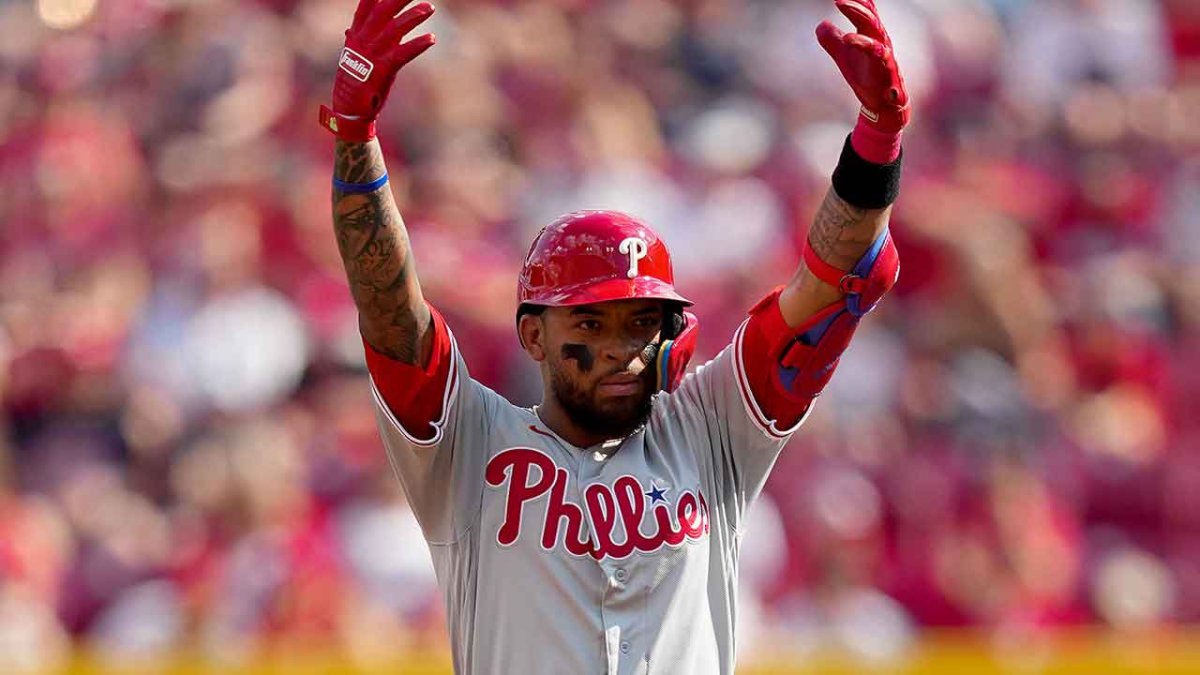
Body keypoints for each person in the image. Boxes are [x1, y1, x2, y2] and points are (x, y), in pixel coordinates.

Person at [318, 0, 908, 672]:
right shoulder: (469, 447)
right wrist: (354, 135)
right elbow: (392, 310)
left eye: (641, 321)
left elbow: (830, 282)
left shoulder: (711, 431)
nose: (620, 345)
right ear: (533, 337)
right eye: (590, 321)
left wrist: (877, 140)